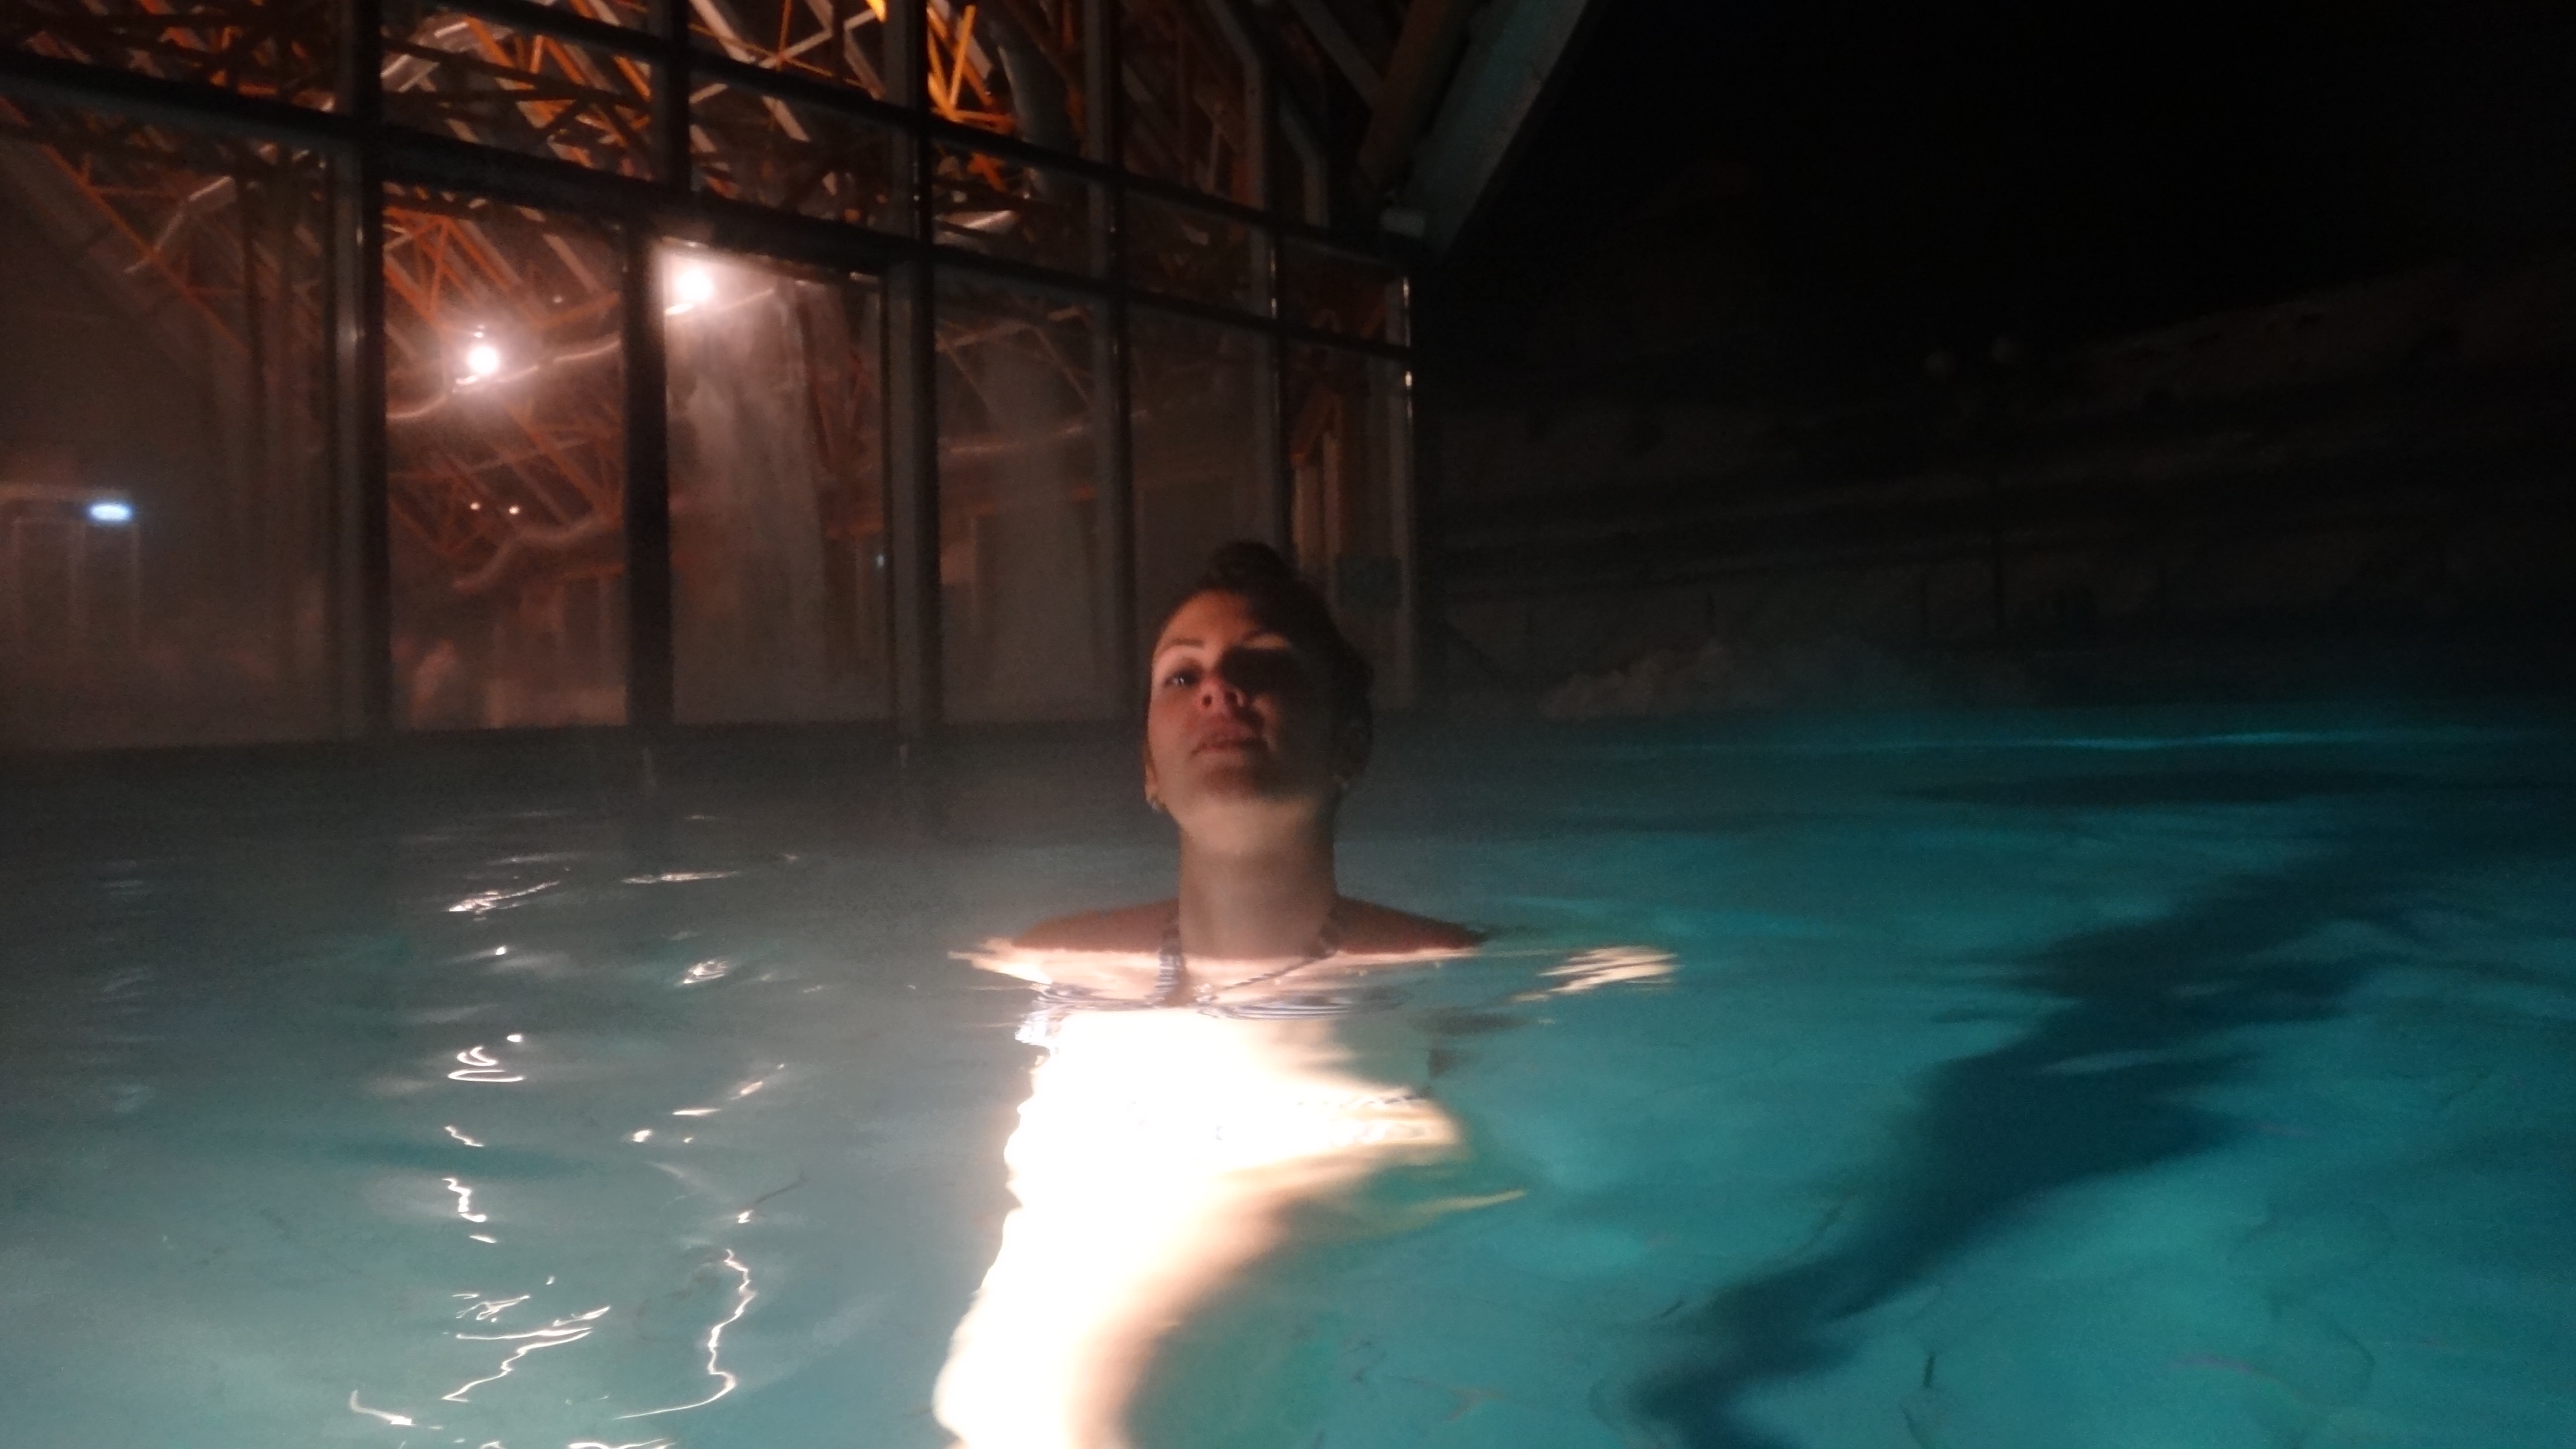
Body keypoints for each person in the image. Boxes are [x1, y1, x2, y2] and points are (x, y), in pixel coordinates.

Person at [933, 541, 1481, 1449]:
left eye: (1263, 666)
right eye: (1181, 676)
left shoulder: (1443, 976)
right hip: (1016, 1385)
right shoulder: (1048, 964)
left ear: (1350, 742)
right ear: (1149, 769)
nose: (1219, 690)